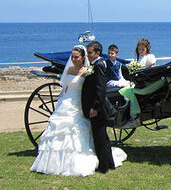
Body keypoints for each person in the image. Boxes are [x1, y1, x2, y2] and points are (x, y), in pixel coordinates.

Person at [30, 45, 126, 176]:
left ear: (83, 57)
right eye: (72, 57)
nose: (74, 59)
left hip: (79, 104)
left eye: (76, 57)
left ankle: (104, 163)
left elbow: (96, 88)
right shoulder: (69, 69)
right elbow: (65, 87)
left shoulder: (88, 70)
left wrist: (94, 106)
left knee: (91, 133)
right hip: (66, 102)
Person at [82, 41, 126, 173]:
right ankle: (109, 163)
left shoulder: (99, 65)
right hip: (98, 107)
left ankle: (104, 166)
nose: (88, 55)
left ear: (97, 53)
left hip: (99, 108)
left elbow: (100, 89)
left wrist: (95, 107)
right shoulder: (96, 64)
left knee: (100, 137)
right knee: (103, 137)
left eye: (90, 53)